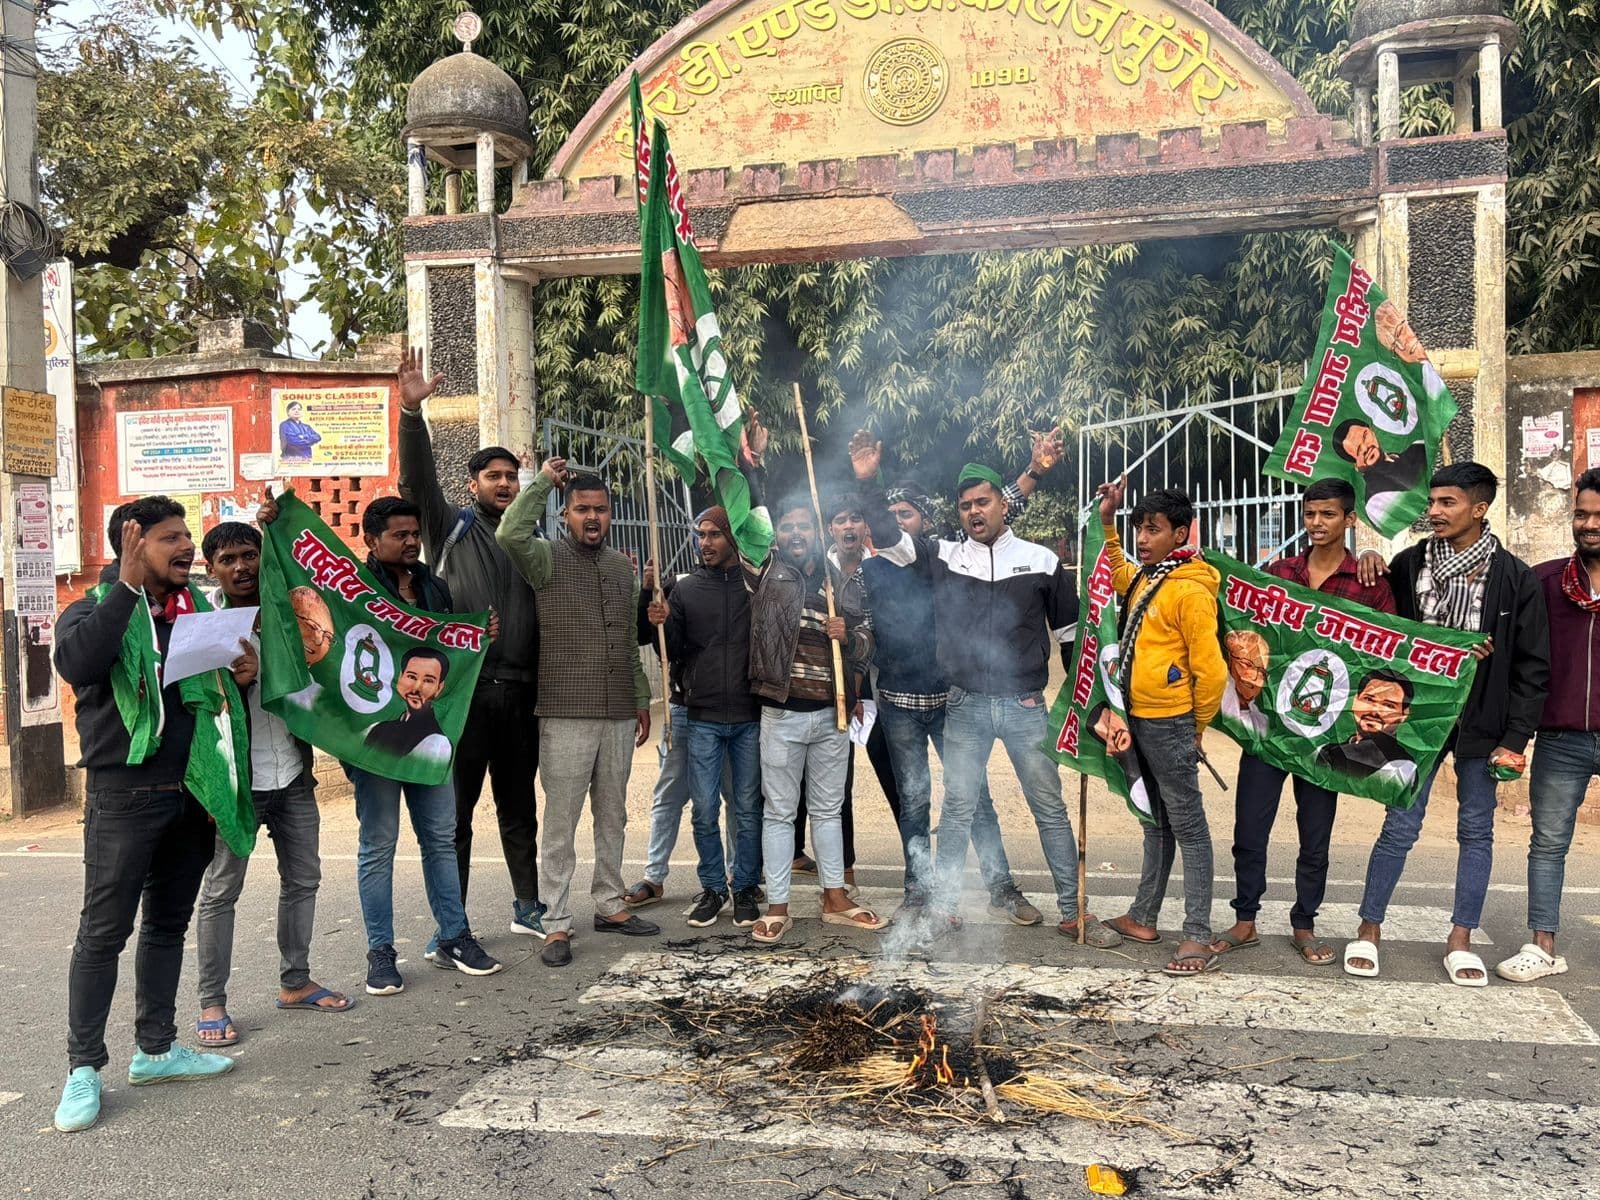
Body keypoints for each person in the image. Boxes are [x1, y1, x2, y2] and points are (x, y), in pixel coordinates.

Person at [859, 440, 1111, 946]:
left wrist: (1088, 708)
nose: (974, 511)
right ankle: (945, 908)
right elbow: (890, 538)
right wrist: (869, 482)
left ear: (1002, 504)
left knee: (1049, 807)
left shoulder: (1042, 561)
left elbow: (1069, 641)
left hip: (1025, 707)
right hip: (966, 705)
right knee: (957, 810)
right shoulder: (942, 556)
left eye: (983, 502)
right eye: (965, 505)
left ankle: (1073, 910)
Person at [51, 498, 250, 1132]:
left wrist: (240, 675)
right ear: (131, 547)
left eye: (186, 535)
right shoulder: (92, 610)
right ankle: (84, 1070)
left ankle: (156, 1050)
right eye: (170, 539)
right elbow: (78, 663)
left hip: (191, 792)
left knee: (167, 925)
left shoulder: (193, 615)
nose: (187, 548)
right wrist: (128, 588)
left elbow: (203, 700)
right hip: (123, 796)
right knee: (104, 933)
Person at [270, 493, 502, 994]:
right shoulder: (351, 586)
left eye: (415, 534)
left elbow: (447, 648)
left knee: (440, 838)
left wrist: (478, 636)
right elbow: (304, 605)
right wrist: (274, 525)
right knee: (378, 845)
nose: (411, 542)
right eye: (399, 535)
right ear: (371, 540)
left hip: (431, 736)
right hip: (372, 742)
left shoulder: (434, 588)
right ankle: (381, 951)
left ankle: (454, 937)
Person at [1346, 462, 1549, 985]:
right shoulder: (1409, 564)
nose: (1433, 512)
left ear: (1479, 509)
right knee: (1400, 825)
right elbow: (1377, 625)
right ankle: (1369, 929)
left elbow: (1532, 668)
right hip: (1419, 724)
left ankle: (1461, 939)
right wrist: (1366, 559)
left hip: (1483, 726)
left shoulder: (1514, 578)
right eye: (1432, 502)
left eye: (1447, 503)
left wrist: (1515, 739)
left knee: (1476, 830)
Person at [1210, 479, 1396, 966]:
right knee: (1250, 826)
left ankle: (1304, 924)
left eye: (1328, 514)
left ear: (1349, 520)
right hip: (1272, 727)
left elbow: (1392, 651)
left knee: (1316, 832)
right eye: (1310, 514)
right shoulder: (1279, 573)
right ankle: (1245, 918)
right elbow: (1243, 622)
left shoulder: (1369, 582)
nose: (1317, 523)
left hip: (1327, 733)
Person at [396, 348, 547, 939]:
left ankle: (528, 906)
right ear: (473, 484)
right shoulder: (448, 527)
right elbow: (418, 481)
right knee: (453, 818)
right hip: (464, 695)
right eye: (494, 477)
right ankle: (450, 923)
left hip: (522, 693)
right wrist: (412, 414)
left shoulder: (533, 536)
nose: (505, 484)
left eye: (512, 477)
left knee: (519, 810)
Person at [192, 523, 352, 1050]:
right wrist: (238, 685)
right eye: (227, 559)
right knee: (220, 892)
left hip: (291, 775)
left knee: (303, 879)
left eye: (248, 555)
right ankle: (211, 1001)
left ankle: (295, 981)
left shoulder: (294, 617)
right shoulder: (205, 626)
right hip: (238, 782)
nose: (240, 567)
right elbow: (196, 710)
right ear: (211, 567)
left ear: (263, 558)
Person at [497, 460, 659, 967]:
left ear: (611, 515)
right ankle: (556, 922)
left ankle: (610, 903)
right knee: (561, 822)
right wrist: (543, 481)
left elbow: (630, 646)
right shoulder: (543, 558)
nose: (592, 518)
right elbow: (509, 531)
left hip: (616, 711)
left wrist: (639, 699)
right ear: (565, 514)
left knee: (613, 815)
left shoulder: (621, 567)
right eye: (582, 509)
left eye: (601, 510)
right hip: (565, 711)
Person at [735, 420, 885, 944]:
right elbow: (744, 517)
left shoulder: (839, 579)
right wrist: (751, 464)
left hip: (832, 715)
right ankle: (778, 904)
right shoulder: (764, 573)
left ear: (818, 533)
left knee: (828, 808)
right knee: (779, 813)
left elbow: (868, 638)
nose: (797, 534)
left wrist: (850, 637)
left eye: (805, 527)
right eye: (787, 527)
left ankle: (834, 897)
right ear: (777, 535)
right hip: (780, 713)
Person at [1094, 480, 1228, 973]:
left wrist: (1195, 727)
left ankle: (1197, 935)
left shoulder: (1190, 589)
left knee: (1188, 826)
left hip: (1169, 722)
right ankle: (1144, 916)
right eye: (1138, 530)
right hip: (1137, 718)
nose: (1143, 539)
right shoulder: (1152, 578)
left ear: (1181, 533)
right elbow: (1117, 572)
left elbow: (1211, 670)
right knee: (1155, 821)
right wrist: (1108, 522)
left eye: (1153, 530)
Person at [1497, 470, 1600, 982]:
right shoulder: (1544, 581)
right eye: (1582, 514)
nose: (1589, 525)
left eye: (1599, 516)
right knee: (1549, 841)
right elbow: (1514, 651)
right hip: (1560, 738)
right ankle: (1542, 944)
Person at [646, 506, 765, 927]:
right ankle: (713, 888)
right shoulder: (687, 589)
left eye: (714, 534)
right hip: (701, 717)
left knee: (748, 807)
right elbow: (669, 651)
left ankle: (746, 887)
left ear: (733, 539)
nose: (705, 543)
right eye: (701, 535)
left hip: (749, 716)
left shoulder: (756, 587)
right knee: (702, 809)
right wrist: (656, 614)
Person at [1315, 669, 1419, 787]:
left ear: (1403, 714)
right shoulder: (1328, 752)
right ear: (1355, 701)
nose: (1374, 711)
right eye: (1369, 699)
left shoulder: (1402, 768)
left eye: (1388, 705)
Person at [362, 647, 454, 762]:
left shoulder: (438, 743)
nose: (416, 688)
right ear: (400, 677)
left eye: (428, 680)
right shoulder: (377, 727)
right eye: (411, 677)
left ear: (439, 688)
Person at [1332, 419, 1427, 525]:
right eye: (1358, 450)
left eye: (1364, 436)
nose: (1365, 448)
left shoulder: (1418, 448)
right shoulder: (1375, 504)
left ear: (1372, 431)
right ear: (1356, 465)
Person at [1219, 630, 1270, 739]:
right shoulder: (1213, 704)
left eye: (1261, 671)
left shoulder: (1262, 723)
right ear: (1230, 662)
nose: (1253, 676)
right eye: (1247, 665)